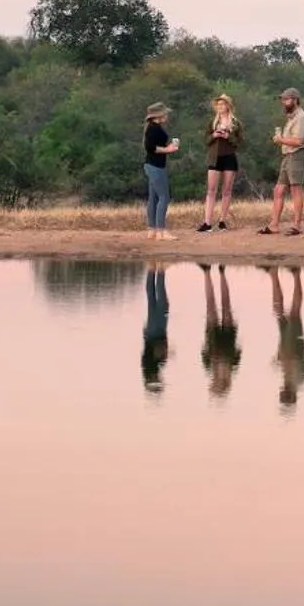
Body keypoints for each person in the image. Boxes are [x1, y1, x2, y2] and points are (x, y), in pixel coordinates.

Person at [260, 88, 304, 238]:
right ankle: (274, 225)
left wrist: (281, 140)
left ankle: (297, 225)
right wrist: (281, 140)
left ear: (295, 99)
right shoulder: (291, 117)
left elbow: (299, 141)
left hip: (296, 155)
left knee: (296, 190)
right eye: (283, 99)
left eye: (287, 99)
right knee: (278, 190)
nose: (284, 102)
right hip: (287, 156)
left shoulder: (301, 116)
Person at [198, 94, 243, 232]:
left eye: (223, 104)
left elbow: (240, 142)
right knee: (211, 190)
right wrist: (214, 135)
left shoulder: (236, 123)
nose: (220, 107)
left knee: (227, 190)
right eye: (218, 104)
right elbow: (205, 140)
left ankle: (223, 221)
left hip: (229, 157)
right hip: (214, 157)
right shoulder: (212, 122)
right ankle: (207, 222)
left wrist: (228, 136)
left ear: (228, 106)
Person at [267, 263, 304, 412]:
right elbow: (295, 359)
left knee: (279, 310)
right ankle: (296, 275)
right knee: (294, 312)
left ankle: (274, 274)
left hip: (286, 344)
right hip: (293, 344)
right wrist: (282, 359)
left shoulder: (291, 381)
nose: (282, 393)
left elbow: (289, 362)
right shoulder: (298, 380)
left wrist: (279, 358)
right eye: (285, 396)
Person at [200, 262, 241, 398]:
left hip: (213, 337)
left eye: (214, 385)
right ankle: (219, 272)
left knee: (212, 304)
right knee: (225, 305)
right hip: (227, 339)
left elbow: (204, 352)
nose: (214, 382)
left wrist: (214, 357)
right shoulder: (232, 369)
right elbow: (237, 352)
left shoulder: (209, 368)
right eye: (216, 385)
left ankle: (208, 272)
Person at [142, 103, 180, 240]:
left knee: (154, 197)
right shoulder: (153, 129)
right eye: (165, 114)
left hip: (153, 164)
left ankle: (152, 229)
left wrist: (168, 147)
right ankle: (161, 231)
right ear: (158, 115)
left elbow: (154, 146)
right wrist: (167, 150)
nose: (167, 116)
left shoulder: (153, 128)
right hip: (156, 166)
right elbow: (151, 148)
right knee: (164, 197)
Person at [141, 267, 171, 393]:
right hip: (150, 333)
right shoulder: (147, 364)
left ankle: (160, 270)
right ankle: (152, 270)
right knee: (152, 299)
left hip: (157, 332)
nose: (160, 378)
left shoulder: (154, 364)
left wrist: (167, 352)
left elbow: (159, 348)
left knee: (162, 303)